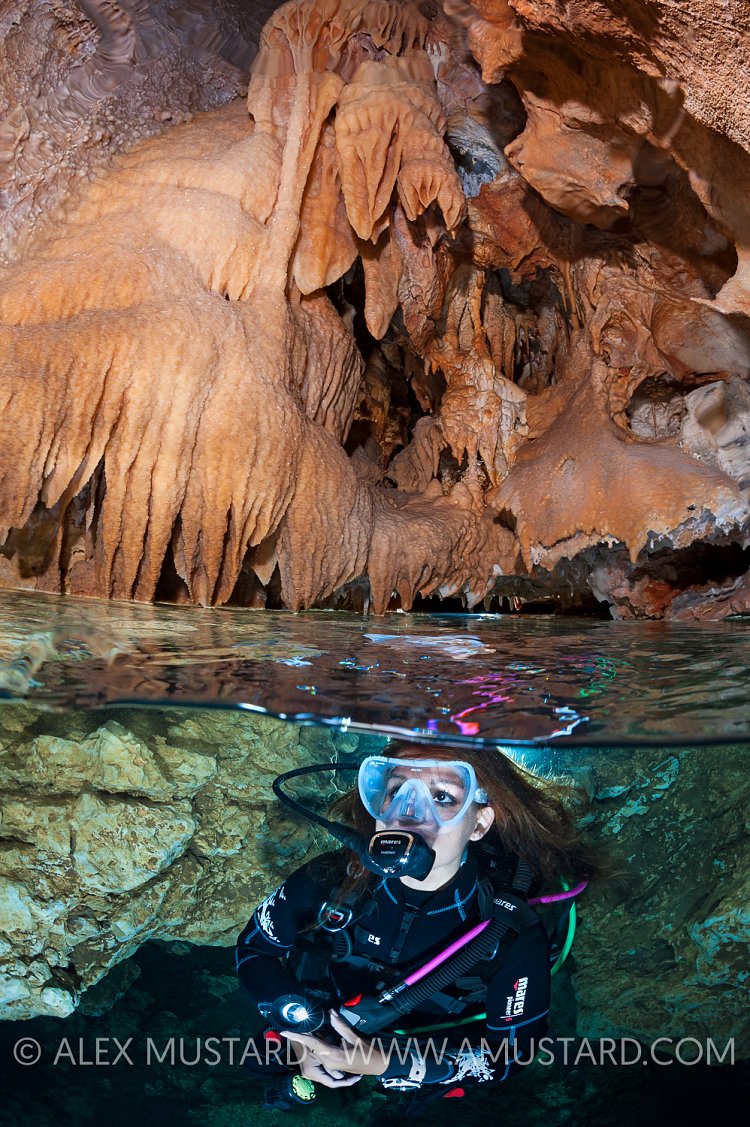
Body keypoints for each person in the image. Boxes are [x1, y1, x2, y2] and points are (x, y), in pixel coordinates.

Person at [235, 742, 598, 1110]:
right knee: (258, 1068)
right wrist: (301, 1034)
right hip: (323, 1017)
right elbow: (255, 948)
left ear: (480, 823)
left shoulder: (510, 929)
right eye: (395, 792)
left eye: (442, 797)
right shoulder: (329, 875)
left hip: (421, 1052)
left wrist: (386, 1062)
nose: (408, 815)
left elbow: (511, 1055)